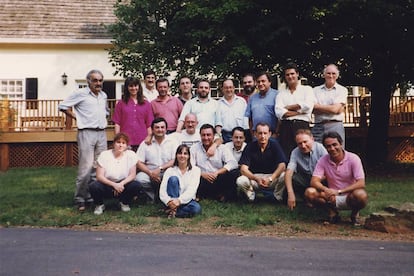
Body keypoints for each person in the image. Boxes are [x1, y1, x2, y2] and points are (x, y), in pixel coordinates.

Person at [58, 69, 108, 211]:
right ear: (88, 81)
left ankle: (93, 197)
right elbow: (62, 106)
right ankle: (80, 198)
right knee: (85, 168)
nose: (98, 83)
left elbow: (105, 111)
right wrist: (77, 118)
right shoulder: (80, 94)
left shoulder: (103, 95)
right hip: (87, 132)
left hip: (101, 133)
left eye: (100, 80)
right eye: (95, 80)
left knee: (98, 167)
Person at [305, 132, 368, 225]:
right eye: (328, 146)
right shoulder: (323, 160)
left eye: (335, 145)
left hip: (349, 196)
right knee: (310, 192)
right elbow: (314, 181)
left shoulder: (353, 158)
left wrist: (339, 191)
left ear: (341, 143)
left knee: (361, 195)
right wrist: (327, 190)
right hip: (331, 197)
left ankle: (354, 215)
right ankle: (333, 213)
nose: (332, 149)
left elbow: (361, 183)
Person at [89, 133, 141, 215]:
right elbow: (99, 176)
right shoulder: (105, 155)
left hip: (122, 185)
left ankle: (124, 203)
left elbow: (132, 175)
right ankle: (99, 205)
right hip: (107, 184)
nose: (120, 145)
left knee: (136, 185)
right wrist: (114, 185)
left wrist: (121, 184)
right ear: (114, 144)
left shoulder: (131, 155)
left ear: (127, 145)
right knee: (94, 186)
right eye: (118, 142)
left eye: (123, 143)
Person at [236, 122, 287, 202]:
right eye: (260, 133)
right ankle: (251, 197)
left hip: (271, 178)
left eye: (265, 133)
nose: (263, 136)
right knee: (241, 180)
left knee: (285, 175)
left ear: (269, 134)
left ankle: (277, 196)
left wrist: (271, 178)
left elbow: (282, 165)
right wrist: (256, 178)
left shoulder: (275, 145)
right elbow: (243, 169)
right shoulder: (250, 146)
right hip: (255, 178)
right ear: (255, 134)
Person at [275, 62, 315, 159]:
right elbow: (279, 112)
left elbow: (308, 106)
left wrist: (288, 107)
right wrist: (300, 111)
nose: (290, 76)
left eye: (292, 74)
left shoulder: (307, 90)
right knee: (286, 154)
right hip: (286, 127)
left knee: (304, 152)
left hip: (302, 125)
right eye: (287, 75)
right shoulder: (281, 94)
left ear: (297, 74)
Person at [191, 124, 239, 201]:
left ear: (214, 136)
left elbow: (233, 163)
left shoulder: (222, 148)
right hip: (202, 179)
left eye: (208, 135)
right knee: (191, 175)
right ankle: (199, 195)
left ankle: (223, 195)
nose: (206, 138)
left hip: (217, 178)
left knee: (234, 172)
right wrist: (202, 174)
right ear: (200, 135)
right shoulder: (194, 148)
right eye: (203, 135)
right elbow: (190, 166)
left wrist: (217, 173)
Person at [136, 117, 178, 202]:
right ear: (152, 129)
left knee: (174, 178)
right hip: (150, 171)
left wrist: (160, 169)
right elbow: (138, 162)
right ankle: (152, 198)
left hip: (167, 171)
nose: (160, 130)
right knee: (140, 179)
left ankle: (168, 199)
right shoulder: (145, 143)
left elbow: (175, 159)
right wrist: (150, 173)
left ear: (166, 129)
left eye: (162, 127)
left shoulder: (172, 141)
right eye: (157, 127)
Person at [284, 129, 327, 210]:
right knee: (289, 177)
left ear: (312, 139)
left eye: (305, 142)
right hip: (306, 179)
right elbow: (289, 172)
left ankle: (315, 199)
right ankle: (303, 198)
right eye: (299, 143)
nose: (303, 146)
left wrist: (316, 182)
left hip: (321, 180)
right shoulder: (295, 152)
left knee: (314, 194)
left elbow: (329, 171)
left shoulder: (320, 148)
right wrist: (290, 193)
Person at [159, 144, 202, 218]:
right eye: (180, 153)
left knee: (196, 209)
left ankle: (171, 211)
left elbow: (192, 190)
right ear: (176, 155)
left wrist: (179, 201)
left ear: (189, 156)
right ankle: (173, 209)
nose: (182, 156)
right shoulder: (170, 170)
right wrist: (169, 201)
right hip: (171, 199)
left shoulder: (196, 170)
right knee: (173, 179)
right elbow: (162, 190)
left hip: (186, 201)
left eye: (185, 153)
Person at [112, 77, 154, 151]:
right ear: (127, 87)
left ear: (139, 87)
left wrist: (149, 137)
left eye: (135, 86)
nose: (133, 88)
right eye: (131, 86)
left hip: (143, 140)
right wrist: (117, 139)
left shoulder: (146, 104)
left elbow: (149, 124)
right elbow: (117, 123)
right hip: (125, 141)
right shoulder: (121, 103)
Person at [312, 64, 348, 148]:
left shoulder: (342, 90)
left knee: (337, 152)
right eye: (328, 73)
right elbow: (312, 109)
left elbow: (335, 110)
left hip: (335, 125)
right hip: (318, 126)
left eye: (333, 73)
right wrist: (333, 108)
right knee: (316, 153)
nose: (331, 76)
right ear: (324, 75)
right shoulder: (315, 90)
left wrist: (319, 107)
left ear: (337, 75)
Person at [244, 72, 279, 139]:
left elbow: (280, 118)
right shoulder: (252, 98)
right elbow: (250, 119)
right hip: (256, 137)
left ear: (269, 82)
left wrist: (276, 133)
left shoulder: (277, 95)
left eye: (263, 81)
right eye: (258, 82)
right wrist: (252, 134)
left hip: (272, 136)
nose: (260, 84)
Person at [218, 79, 249, 143]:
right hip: (224, 136)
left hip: (239, 135)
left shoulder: (241, 101)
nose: (229, 90)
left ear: (234, 88)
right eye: (226, 88)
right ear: (222, 89)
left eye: (230, 87)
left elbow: (246, 120)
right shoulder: (218, 104)